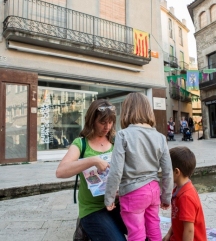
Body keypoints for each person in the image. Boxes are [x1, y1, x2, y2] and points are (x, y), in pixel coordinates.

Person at [104, 92, 173, 241]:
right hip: (154, 190)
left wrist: (109, 198)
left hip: (133, 193)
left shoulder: (123, 135)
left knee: (136, 234)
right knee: (154, 228)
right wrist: (166, 197)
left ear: (126, 110)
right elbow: (168, 171)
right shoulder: (160, 137)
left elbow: (116, 171)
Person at [56, 99, 127, 241]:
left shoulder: (116, 140)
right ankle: (86, 225)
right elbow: (61, 171)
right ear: (92, 120)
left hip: (118, 203)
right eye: (102, 122)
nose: (107, 126)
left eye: (110, 122)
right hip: (93, 209)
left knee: (147, 233)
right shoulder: (81, 143)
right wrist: (93, 160)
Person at [162, 146, 206, 241]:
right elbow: (177, 218)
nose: (165, 173)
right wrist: (169, 233)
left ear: (177, 172)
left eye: (167, 170)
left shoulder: (186, 197)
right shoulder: (179, 189)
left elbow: (189, 230)